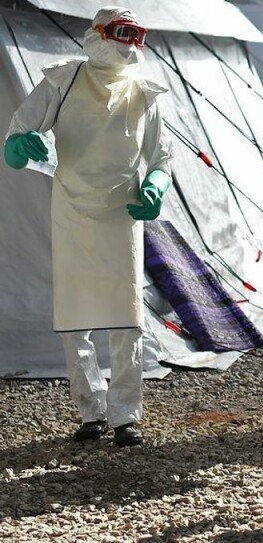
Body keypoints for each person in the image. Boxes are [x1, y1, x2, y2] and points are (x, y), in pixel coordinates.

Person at [3, 7, 172, 447]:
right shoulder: (64, 81)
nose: (128, 44)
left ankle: (124, 415)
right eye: (121, 33)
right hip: (73, 216)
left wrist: (154, 185)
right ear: (95, 34)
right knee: (76, 320)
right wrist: (23, 145)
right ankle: (89, 411)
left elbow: (160, 157)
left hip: (121, 216)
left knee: (127, 319)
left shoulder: (143, 93)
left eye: (135, 36)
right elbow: (16, 136)